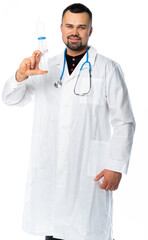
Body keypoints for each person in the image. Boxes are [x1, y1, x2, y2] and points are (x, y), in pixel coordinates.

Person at [2, 3, 135, 240]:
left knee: (90, 231)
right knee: (54, 231)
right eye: (70, 26)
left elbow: (124, 121)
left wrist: (116, 166)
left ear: (90, 31)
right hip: (50, 173)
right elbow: (10, 99)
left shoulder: (107, 68)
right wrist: (20, 75)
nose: (75, 32)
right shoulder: (44, 67)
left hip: (88, 175)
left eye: (81, 27)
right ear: (61, 29)